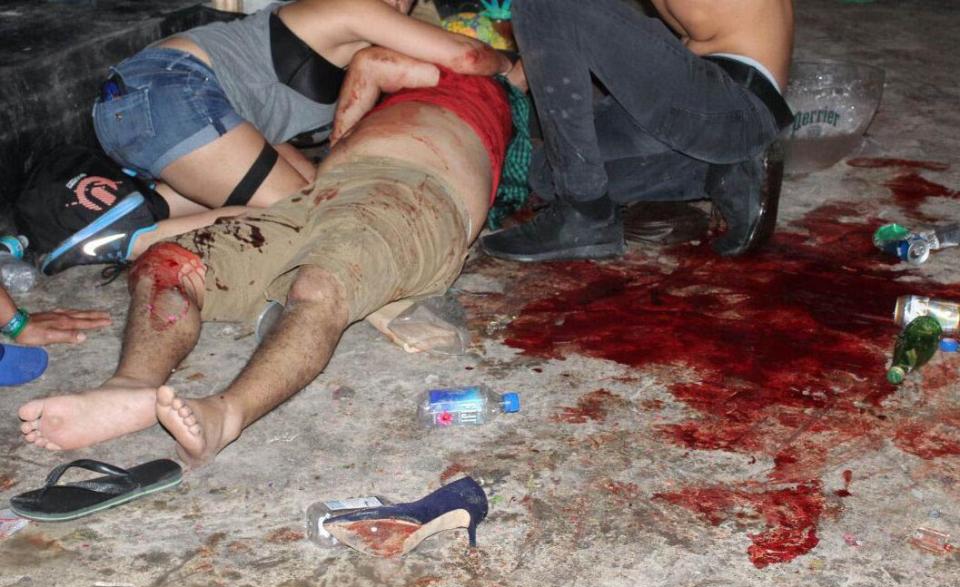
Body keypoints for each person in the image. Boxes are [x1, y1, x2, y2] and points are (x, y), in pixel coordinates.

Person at [19, 47, 517, 465]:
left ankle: (227, 413)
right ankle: (131, 386)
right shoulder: (417, 71)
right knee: (167, 262)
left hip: (414, 197)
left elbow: (446, 59)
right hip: (321, 193)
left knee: (320, 285)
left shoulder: (486, 81)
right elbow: (364, 70)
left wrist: (501, 63)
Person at [42, 0, 515, 273]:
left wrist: (325, 176)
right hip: (171, 91)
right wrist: (514, 68)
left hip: (152, 110)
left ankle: (133, 208)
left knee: (312, 195)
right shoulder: (349, 5)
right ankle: (132, 238)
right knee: (307, 218)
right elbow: (467, 59)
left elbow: (283, 137)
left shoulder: (359, 44)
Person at [480, 0, 795, 262]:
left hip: (735, 98)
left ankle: (583, 212)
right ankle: (721, 167)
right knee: (542, 173)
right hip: (705, 115)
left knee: (543, 4)